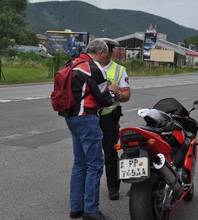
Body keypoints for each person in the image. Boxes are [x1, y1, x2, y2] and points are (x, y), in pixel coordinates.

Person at [65, 39, 119, 220]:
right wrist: (112, 90)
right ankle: (91, 210)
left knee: (79, 163)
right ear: (102, 52)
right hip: (87, 118)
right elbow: (106, 100)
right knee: (95, 165)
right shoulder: (93, 68)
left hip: (71, 117)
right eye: (107, 53)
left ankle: (76, 208)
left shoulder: (72, 64)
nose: (107, 57)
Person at [96, 38, 131, 200]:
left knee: (110, 153)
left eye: (106, 51)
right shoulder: (89, 67)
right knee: (89, 155)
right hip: (90, 116)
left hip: (109, 117)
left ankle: (113, 187)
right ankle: (90, 188)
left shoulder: (119, 70)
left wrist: (116, 92)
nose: (102, 54)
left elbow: (126, 96)